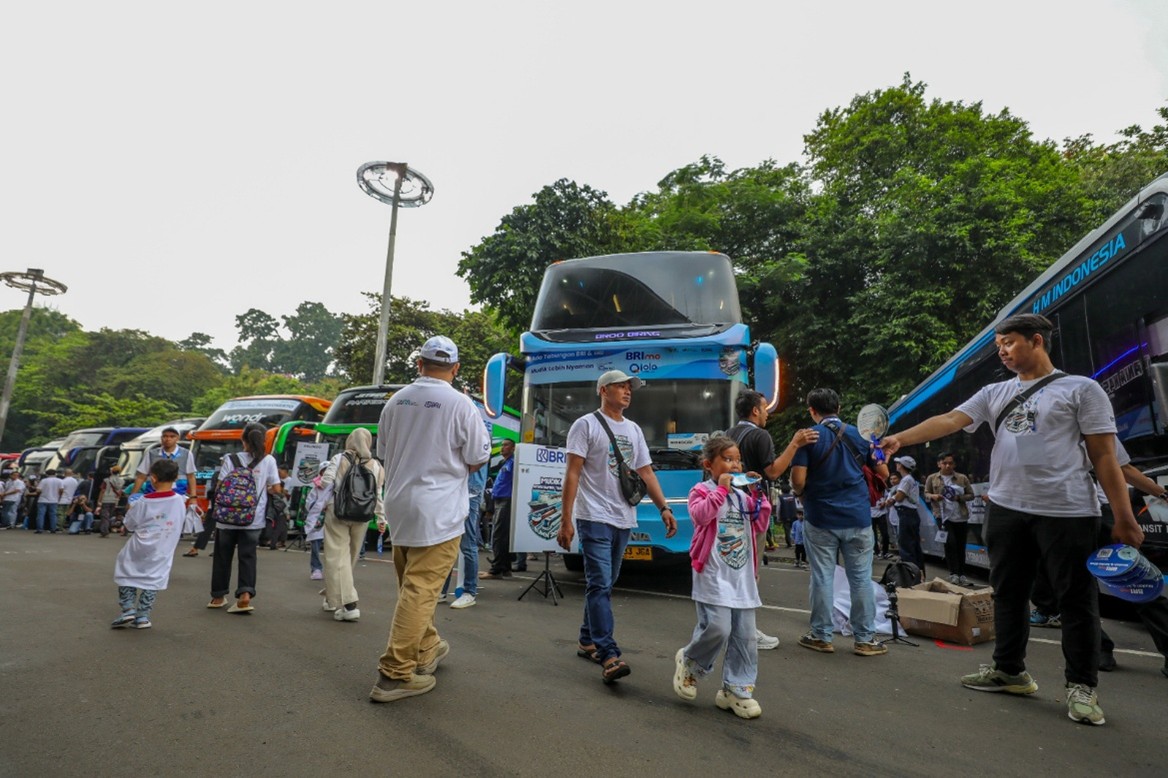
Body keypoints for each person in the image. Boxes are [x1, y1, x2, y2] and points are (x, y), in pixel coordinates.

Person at [880, 313, 1144, 726]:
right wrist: (901, 436)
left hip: (1068, 511)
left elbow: (1105, 457)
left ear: (1036, 341)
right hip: (1006, 508)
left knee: (1075, 600)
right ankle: (1009, 670)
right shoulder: (995, 391)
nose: (1001, 352)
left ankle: (1082, 686)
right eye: (999, 345)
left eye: (1008, 343)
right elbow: (951, 419)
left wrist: (1124, 517)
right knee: (1007, 592)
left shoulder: (1081, 390)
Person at [370, 335, 490, 703]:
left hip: (400, 505)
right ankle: (394, 674)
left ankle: (428, 649)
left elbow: (384, 454)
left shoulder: (396, 401)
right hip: (439, 510)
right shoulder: (460, 404)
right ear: (454, 369)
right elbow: (478, 456)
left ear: (419, 364)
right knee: (422, 590)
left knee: (411, 587)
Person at [556, 369, 678, 685]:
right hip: (593, 515)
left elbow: (647, 472)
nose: (627, 391)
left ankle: (586, 640)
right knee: (599, 582)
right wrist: (565, 519)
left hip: (624, 516)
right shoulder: (584, 425)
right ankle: (609, 654)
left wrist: (664, 507)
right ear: (603, 390)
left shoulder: (634, 430)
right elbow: (572, 475)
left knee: (605, 582)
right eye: (620, 387)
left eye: (629, 388)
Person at [673, 435, 772, 719]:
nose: (735, 465)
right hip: (714, 574)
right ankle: (690, 663)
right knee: (718, 628)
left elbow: (760, 522)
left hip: (741, 575)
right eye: (727, 460)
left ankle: (737, 690)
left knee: (744, 637)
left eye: (737, 459)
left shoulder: (742, 496)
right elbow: (701, 517)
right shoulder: (701, 491)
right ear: (709, 465)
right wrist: (720, 491)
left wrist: (758, 496)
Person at [790, 388, 891, 657]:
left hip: (820, 517)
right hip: (858, 518)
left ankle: (821, 636)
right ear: (839, 406)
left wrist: (801, 494)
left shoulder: (808, 437)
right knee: (861, 580)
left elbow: (798, 480)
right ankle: (866, 639)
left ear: (812, 410)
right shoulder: (861, 436)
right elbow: (884, 471)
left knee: (822, 576)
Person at [725, 389, 817, 650]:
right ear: (755, 410)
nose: (767, 413)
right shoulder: (759, 435)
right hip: (750, 512)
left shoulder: (728, 434)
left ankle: (732, 628)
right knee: (750, 573)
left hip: (728, 510)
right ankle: (747, 631)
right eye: (764, 408)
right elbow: (773, 472)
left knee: (734, 570)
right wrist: (795, 443)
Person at [207, 422, 281, 614]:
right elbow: (277, 488)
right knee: (248, 556)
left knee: (223, 557)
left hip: (226, 517)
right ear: (263, 440)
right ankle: (245, 596)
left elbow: (221, 485)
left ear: (243, 439)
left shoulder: (230, 459)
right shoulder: (268, 460)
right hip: (253, 518)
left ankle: (217, 597)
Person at [111, 459, 186, 630]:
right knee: (154, 578)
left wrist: (131, 507)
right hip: (163, 547)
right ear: (175, 478)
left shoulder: (143, 501)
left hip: (139, 545)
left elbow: (129, 524)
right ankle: (143, 616)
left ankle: (128, 608)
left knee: (125, 570)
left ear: (153, 478)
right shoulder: (180, 500)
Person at [321, 428, 386, 621]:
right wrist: (381, 518)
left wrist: (321, 504)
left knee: (335, 557)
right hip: (363, 515)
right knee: (349, 558)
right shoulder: (376, 465)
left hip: (338, 511)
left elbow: (326, 482)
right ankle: (331, 596)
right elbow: (378, 494)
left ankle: (349, 605)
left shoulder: (339, 458)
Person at [924, 453, 976, 586]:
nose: (948, 465)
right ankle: (953, 573)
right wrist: (934, 496)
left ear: (954, 464)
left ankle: (962, 574)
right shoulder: (932, 478)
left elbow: (971, 495)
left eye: (950, 463)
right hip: (943, 517)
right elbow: (926, 493)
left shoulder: (962, 478)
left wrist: (959, 498)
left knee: (960, 545)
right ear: (939, 464)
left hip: (961, 516)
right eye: (944, 463)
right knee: (950, 543)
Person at [443, 461, 488, 609]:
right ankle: (441, 591)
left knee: (467, 544)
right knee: (446, 542)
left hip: (469, 491)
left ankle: (469, 592)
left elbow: (479, 460)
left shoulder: (479, 437)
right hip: (457, 489)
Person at [128, 427, 198, 502]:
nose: (168, 439)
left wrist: (193, 497)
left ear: (177, 438)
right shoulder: (152, 454)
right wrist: (132, 498)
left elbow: (191, 477)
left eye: (172, 436)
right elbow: (141, 477)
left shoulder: (186, 454)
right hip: (153, 495)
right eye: (165, 436)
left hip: (177, 495)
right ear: (161, 438)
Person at [480, 439, 516, 579]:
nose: (502, 447)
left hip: (506, 500)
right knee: (502, 535)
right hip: (500, 500)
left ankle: (496, 570)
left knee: (499, 535)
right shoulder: (505, 463)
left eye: (506, 445)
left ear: (513, 448)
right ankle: (505, 568)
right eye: (502, 445)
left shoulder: (513, 462)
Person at [891, 456, 927, 581]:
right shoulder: (911, 479)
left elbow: (900, 496)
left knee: (906, 547)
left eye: (899, 463)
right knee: (914, 546)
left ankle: (910, 576)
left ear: (902, 466)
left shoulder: (906, 479)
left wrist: (891, 500)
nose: (897, 465)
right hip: (911, 514)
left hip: (906, 514)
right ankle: (919, 575)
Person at [302, 466, 330, 581]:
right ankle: (316, 568)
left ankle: (332, 569)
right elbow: (308, 504)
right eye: (324, 471)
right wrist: (321, 506)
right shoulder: (316, 489)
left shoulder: (337, 486)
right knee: (316, 545)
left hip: (332, 520)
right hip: (317, 520)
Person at [97, 466, 124, 535]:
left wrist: (99, 501)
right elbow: (120, 492)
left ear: (111, 472)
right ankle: (107, 528)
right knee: (109, 515)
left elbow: (102, 491)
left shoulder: (106, 480)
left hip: (106, 499)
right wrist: (117, 500)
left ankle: (104, 531)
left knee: (104, 515)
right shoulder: (122, 481)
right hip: (114, 500)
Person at [35, 469, 63, 534]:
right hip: (54, 500)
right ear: (55, 473)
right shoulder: (59, 481)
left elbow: (38, 490)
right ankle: (53, 529)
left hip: (43, 499)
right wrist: (59, 496)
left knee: (41, 515)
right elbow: (61, 490)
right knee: (53, 515)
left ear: (46, 474)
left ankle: (39, 529)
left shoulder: (44, 480)